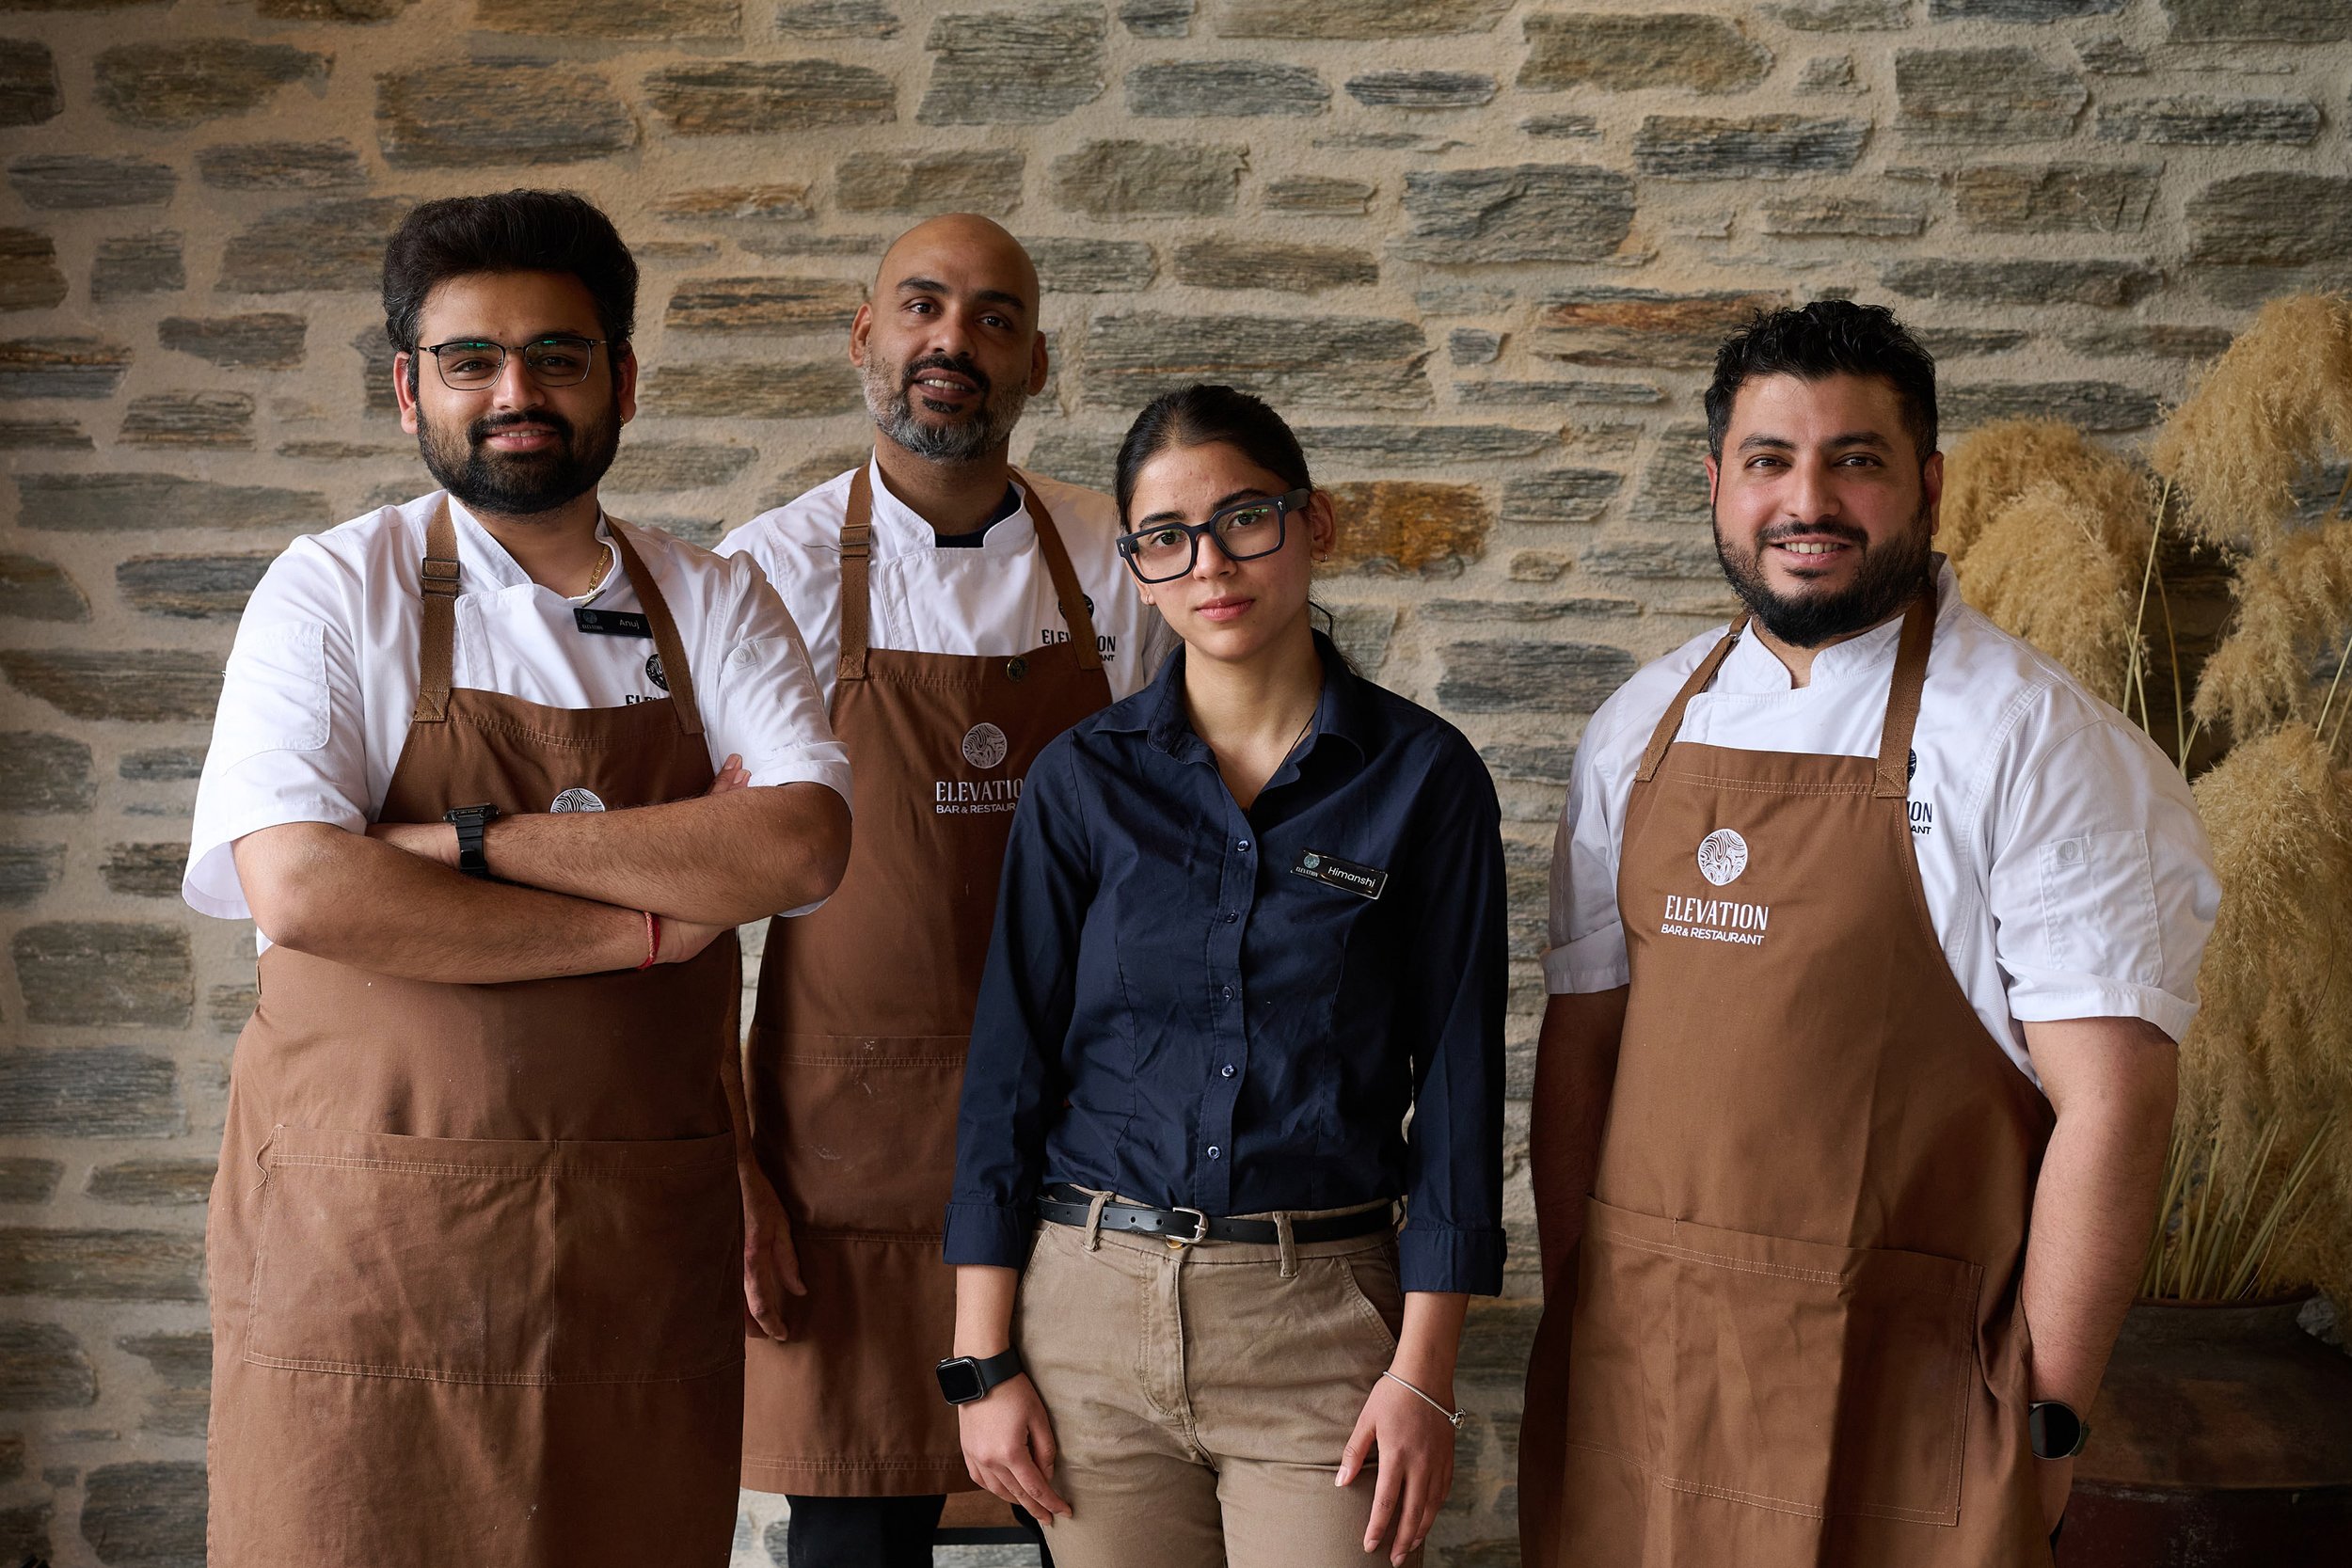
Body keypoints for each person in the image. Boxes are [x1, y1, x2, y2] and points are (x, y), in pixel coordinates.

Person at [183, 189, 852, 1568]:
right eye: (470, 360)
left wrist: (466, 846)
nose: (515, 392)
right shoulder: (328, 590)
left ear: (620, 375)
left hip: (629, 1246)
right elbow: (305, 887)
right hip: (369, 1248)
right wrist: (649, 920)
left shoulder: (715, 598)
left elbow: (798, 846)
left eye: (557, 354)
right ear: (407, 389)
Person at [1518, 301, 2218, 1568]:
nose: (1809, 498)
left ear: (1928, 485)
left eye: (1857, 458)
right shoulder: (1636, 727)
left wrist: (2048, 1418)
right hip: (1650, 1381)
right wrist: (1578, 1311)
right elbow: (1583, 1047)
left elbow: (2116, 1103)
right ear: (1718, 486)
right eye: (1769, 459)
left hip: (1905, 1393)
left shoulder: (2036, 743)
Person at [944, 384, 1508, 1568]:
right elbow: (1009, 1070)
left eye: (1245, 516)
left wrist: (1426, 1370)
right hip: (1090, 1314)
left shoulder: (1424, 778)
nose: (1211, 561)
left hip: (1321, 1324)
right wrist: (981, 1359)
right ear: (1140, 567)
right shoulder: (1079, 781)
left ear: (1317, 524)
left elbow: (1457, 1083)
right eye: (1167, 536)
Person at [716, 213, 1176, 1566]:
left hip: (1083, 1135)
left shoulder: (1115, 562)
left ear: (1036, 360)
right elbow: (694, 901)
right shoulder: (767, 573)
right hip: (843, 1147)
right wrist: (732, 1155)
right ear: (867, 336)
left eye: (991, 318)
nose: (952, 342)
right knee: (853, 1526)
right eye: (922, 307)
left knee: (1094, 1515)